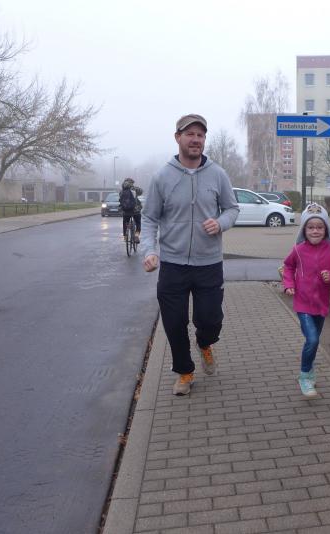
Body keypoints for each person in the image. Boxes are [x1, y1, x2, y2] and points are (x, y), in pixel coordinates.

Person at [140, 113, 240, 396]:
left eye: (200, 135)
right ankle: (185, 372)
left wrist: (220, 223)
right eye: (190, 134)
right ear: (178, 138)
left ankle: (205, 343)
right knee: (174, 324)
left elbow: (232, 209)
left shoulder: (217, 174)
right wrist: (149, 251)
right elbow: (149, 218)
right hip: (173, 265)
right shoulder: (162, 177)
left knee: (211, 320)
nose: (196, 139)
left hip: (208, 264)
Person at [282, 203, 330, 398]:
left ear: (326, 229)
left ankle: (309, 369)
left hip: (321, 304)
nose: (315, 231)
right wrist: (289, 284)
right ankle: (304, 376)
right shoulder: (298, 250)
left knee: (313, 341)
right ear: (304, 230)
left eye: (320, 227)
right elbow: (288, 267)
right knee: (312, 339)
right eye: (310, 227)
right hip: (302, 303)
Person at [119, 178, 143, 242]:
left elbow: (121, 200)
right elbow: (141, 192)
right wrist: (135, 188)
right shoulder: (134, 189)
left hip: (126, 211)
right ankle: (136, 235)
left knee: (125, 222)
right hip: (135, 210)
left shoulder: (121, 191)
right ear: (132, 183)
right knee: (138, 222)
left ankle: (125, 236)